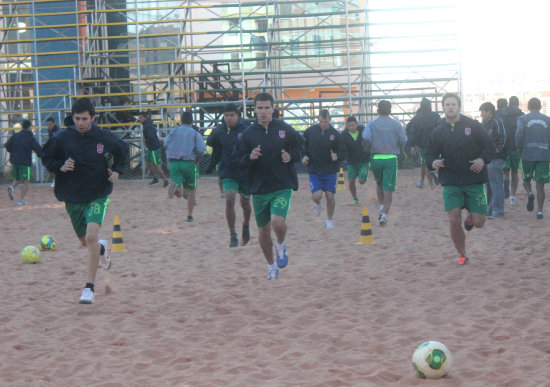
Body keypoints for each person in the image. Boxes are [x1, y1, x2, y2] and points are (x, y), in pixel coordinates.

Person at [41, 97, 129, 304]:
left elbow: (122, 150)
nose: (80, 123)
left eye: (84, 119)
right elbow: (46, 157)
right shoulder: (62, 138)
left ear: (93, 118)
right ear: (72, 118)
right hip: (72, 196)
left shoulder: (102, 136)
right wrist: (60, 166)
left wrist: (117, 170)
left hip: (97, 194)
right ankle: (102, 248)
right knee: (85, 241)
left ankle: (88, 289)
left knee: (90, 237)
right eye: (77, 118)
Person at [233, 92, 302, 280]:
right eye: (260, 108)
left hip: (282, 184)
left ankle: (281, 244)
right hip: (259, 188)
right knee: (263, 231)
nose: (263, 111)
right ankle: (271, 266)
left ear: (273, 108)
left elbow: (300, 147)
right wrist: (250, 157)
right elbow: (237, 160)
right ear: (254, 109)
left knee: (277, 222)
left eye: (267, 108)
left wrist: (291, 156)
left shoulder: (285, 129)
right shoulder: (247, 135)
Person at [426, 93, 494, 266]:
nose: (450, 107)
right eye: (447, 104)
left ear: (459, 106)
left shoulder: (472, 125)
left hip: (473, 179)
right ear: (443, 107)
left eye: (453, 104)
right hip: (450, 180)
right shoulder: (438, 130)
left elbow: (489, 146)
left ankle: (471, 219)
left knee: (479, 222)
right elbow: (430, 154)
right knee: (453, 219)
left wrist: (482, 160)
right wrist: (433, 162)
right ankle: (462, 254)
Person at [206, 103, 252, 247]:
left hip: (245, 171)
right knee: (230, 198)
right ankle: (232, 234)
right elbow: (212, 144)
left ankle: (246, 226)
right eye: (226, 115)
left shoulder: (246, 128)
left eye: (232, 115)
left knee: (245, 203)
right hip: (228, 171)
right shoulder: (219, 131)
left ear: (237, 116)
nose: (229, 118)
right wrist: (211, 165)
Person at [362, 100, 407, 226]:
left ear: (378, 110)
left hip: (376, 158)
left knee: (379, 183)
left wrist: (368, 148)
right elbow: (403, 139)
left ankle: (381, 207)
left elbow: (365, 137)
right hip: (391, 158)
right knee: (389, 187)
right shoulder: (396, 124)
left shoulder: (372, 124)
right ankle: (385, 215)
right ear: (390, 110)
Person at [302, 109, 346, 228]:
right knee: (317, 196)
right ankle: (317, 202)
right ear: (318, 119)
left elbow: (343, 151)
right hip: (314, 170)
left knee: (330, 196)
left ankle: (329, 220)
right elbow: (302, 146)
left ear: (330, 120)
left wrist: (337, 156)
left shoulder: (336, 134)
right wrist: (304, 156)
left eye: (326, 121)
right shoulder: (310, 132)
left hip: (330, 170)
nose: (323, 124)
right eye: (321, 121)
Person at [164, 111, 206, 223]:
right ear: (192, 121)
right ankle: (190, 215)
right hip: (188, 162)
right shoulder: (194, 133)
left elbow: (165, 143)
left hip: (174, 163)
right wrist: (197, 161)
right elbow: (201, 149)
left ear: (181, 121)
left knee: (177, 179)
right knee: (191, 191)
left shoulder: (174, 131)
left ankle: (178, 186)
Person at [515, 97, 550, 220]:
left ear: (528, 107)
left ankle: (530, 193)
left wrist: (519, 146)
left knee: (526, 179)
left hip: (528, 153)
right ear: (540, 107)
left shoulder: (523, 119)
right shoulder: (547, 119)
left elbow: (519, 132)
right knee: (540, 185)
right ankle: (540, 211)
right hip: (544, 154)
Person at [4, 119, 42, 206]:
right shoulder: (30, 137)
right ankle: (21, 200)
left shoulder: (16, 135)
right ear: (29, 127)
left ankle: (11, 187)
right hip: (24, 162)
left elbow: (7, 145)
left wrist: (13, 152)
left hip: (14, 161)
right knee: (26, 181)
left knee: (17, 179)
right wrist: (43, 155)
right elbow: (38, 149)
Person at [479, 102, 506, 218]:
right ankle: (490, 208)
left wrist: (497, 149)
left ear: (489, 111)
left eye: (483, 112)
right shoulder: (484, 123)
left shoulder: (497, 121)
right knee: (489, 185)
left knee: (496, 184)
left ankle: (498, 210)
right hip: (487, 158)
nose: (481, 114)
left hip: (496, 158)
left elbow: (503, 136)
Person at [406, 97, 441, 189]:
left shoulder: (417, 117)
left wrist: (412, 145)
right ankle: (435, 174)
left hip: (423, 144)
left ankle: (431, 184)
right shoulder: (436, 115)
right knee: (435, 160)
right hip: (435, 143)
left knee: (425, 163)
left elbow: (411, 130)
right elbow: (441, 128)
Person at [341, 116, 370, 204]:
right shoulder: (343, 135)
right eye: (349, 126)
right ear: (346, 126)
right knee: (351, 181)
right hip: (351, 162)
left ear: (357, 124)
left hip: (364, 161)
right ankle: (355, 198)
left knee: (361, 181)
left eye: (353, 125)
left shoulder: (363, 130)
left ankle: (364, 175)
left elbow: (370, 139)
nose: (351, 127)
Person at [502, 96, 524, 205]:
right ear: (518, 103)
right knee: (515, 172)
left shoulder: (502, 114)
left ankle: (505, 181)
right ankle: (512, 197)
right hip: (516, 147)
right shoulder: (521, 115)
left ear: (509, 104)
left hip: (505, 147)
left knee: (505, 171)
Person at [138, 111, 169, 187]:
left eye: (141, 117)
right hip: (150, 148)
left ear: (145, 117)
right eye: (139, 117)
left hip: (154, 148)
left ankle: (166, 181)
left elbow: (151, 136)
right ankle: (155, 179)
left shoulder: (148, 125)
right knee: (148, 163)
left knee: (157, 166)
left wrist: (145, 140)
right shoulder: (146, 124)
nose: (140, 119)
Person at [45, 117, 62, 187]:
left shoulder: (57, 131)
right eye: (48, 125)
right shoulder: (50, 130)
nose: (49, 126)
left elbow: (56, 141)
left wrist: (49, 140)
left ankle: (57, 181)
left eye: (50, 124)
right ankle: (56, 180)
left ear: (54, 123)